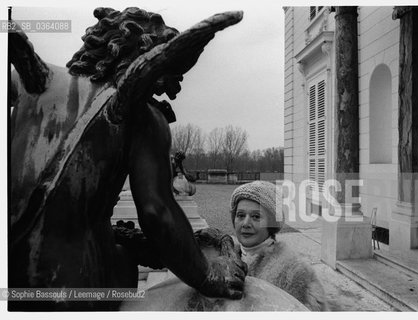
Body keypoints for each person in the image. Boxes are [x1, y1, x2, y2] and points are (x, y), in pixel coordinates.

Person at [9, 7, 245, 311]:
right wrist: (210, 276)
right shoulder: (142, 116)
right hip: (79, 290)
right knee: (122, 260)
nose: (173, 90)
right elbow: (157, 212)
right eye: (173, 76)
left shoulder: (30, 82)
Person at [230, 181, 328, 311]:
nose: (246, 223)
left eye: (256, 217)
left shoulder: (294, 273)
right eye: (241, 215)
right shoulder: (224, 257)